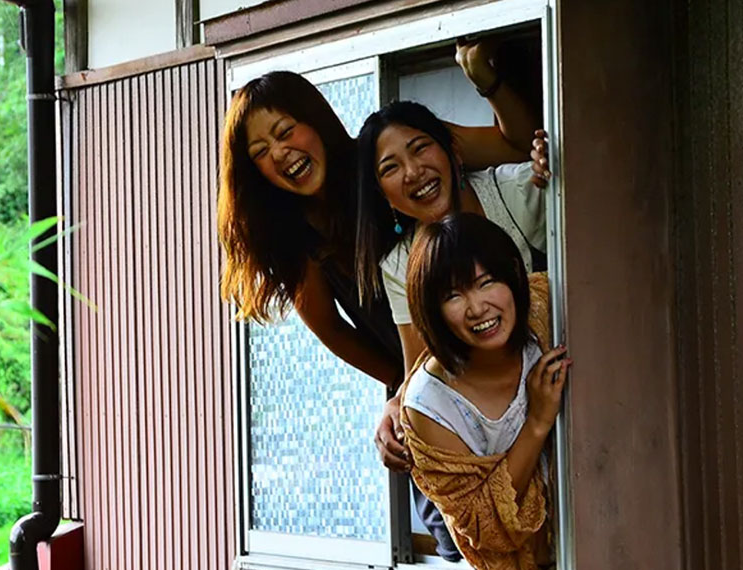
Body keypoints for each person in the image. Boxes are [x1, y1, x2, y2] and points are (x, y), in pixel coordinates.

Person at [217, 42, 538, 388]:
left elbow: (520, 144)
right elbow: (333, 330)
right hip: (431, 382)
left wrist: (484, 79)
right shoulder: (299, 238)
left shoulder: (392, 149)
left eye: (284, 132)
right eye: (261, 152)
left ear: (316, 120)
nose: (280, 153)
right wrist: (404, 386)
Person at [356, 100, 552, 465]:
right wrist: (397, 403)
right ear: (383, 194)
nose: (413, 172)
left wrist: (553, 160)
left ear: (452, 151)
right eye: (391, 168)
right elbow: (420, 362)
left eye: (420, 148)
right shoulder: (400, 264)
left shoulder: (513, 191)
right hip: (498, 429)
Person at [398, 213, 568, 570]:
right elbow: (482, 525)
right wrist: (537, 422)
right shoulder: (430, 406)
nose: (477, 308)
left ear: (512, 277)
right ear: (431, 311)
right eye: (453, 296)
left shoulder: (543, 311)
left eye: (486, 282)